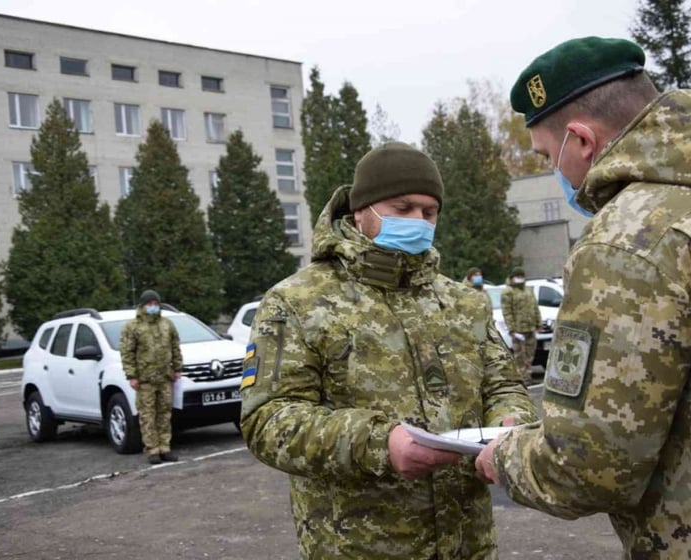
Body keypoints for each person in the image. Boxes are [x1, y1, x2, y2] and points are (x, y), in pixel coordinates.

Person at [475, 36, 691, 558]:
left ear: (582, 141)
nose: (553, 172)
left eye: (547, 155)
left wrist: (505, 458)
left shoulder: (630, 241)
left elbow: (587, 466)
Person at [240, 141, 537, 559]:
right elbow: (267, 420)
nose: (418, 221)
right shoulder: (297, 302)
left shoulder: (464, 303)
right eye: (403, 208)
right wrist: (379, 444)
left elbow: (504, 384)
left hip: (467, 545)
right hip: (360, 547)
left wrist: (511, 423)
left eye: (429, 212)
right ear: (361, 211)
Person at [120, 289, 183, 465]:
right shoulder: (133, 327)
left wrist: (177, 368)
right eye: (150, 304)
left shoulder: (167, 324)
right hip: (145, 379)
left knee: (165, 414)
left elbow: (175, 346)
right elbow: (127, 353)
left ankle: (165, 448)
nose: (153, 307)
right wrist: (132, 375)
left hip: (165, 378)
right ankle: (152, 450)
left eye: (156, 304)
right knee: (147, 415)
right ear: (142, 306)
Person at [500, 267, 542, 384]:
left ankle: (528, 375)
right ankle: (521, 377)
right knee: (519, 355)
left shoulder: (528, 290)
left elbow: (535, 307)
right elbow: (507, 311)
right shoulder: (508, 292)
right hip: (518, 330)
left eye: (522, 276)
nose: (520, 278)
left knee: (530, 354)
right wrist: (512, 329)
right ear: (512, 277)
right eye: (518, 276)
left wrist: (538, 323)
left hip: (530, 328)